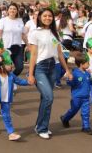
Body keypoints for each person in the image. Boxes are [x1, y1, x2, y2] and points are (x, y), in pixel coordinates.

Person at [27, 8, 72, 139]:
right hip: (40, 68)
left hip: (53, 67)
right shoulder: (35, 33)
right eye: (45, 15)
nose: (48, 18)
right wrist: (30, 74)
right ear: (40, 17)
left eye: (50, 16)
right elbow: (33, 54)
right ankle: (42, 127)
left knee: (45, 99)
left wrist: (67, 70)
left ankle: (41, 125)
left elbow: (59, 53)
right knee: (49, 97)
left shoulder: (54, 33)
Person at [0, 53, 30, 141]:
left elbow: (19, 81)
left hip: (6, 100)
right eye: (9, 64)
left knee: (6, 116)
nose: (11, 66)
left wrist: (28, 82)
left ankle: (11, 133)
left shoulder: (10, 75)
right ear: (2, 65)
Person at [60, 52, 92, 135]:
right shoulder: (75, 74)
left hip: (86, 97)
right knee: (73, 110)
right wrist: (70, 79)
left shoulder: (87, 73)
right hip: (77, 97)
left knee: (86, 112)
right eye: (87, 63)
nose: (89, 65)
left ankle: (86, 127)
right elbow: (70, 83)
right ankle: (65, 118)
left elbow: (90, 82)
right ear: (81, 64)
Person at [0, 3, 28, 77]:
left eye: (14, 9)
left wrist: (28, 45)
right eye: (11, 8)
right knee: (7, 68)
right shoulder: (3, 20)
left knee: (20, 67)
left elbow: (23, 35)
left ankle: (11, 79)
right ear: (7, 10)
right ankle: (5, 83)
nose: (12, 10)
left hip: (17, 47)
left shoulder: (20, 21)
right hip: (6, 48)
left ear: (17, 11)